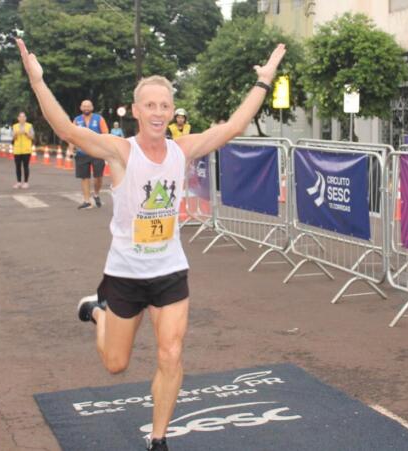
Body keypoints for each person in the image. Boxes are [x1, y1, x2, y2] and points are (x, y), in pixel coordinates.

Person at [17, 38, 285, 451]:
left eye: (165, 105)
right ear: (137, 110)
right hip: (125, 274)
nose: (158, 112)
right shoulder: (122, 152)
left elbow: (232, 127)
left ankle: (158, 439)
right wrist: (38, 81)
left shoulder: (182, 149)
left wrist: (264, 82)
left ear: (171, 110)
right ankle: (98, 314)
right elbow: (66, 129)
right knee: (115, 365)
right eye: (151, 105)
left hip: (169, 271)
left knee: (171, 353)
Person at [73, 100, 109, 209]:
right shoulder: (77, 120)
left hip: (97, 152)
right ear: (81, 108)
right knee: (84, 177)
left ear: (92, 108)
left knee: (98, 176)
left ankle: (96, 194)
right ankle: (87, 200)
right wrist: (70, 149)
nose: (86, 108)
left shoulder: (99, 119)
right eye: (84, 106)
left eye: (88, 106)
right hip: (81, 152)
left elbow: (105, 134)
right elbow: (71, 135)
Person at [12, 112, 35, 189]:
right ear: (18, 118)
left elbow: (32, 137)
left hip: (26, 150)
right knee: (17, 167)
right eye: (20, 117)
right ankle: (18, 182)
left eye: (23, 117)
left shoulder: (29, 126)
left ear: (25, 118)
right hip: (17, 150)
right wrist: (16, 133)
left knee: (26, 166)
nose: (22, 118)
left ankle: (26, 182)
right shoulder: (15, 126)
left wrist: (26, 133)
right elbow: (13, 138)